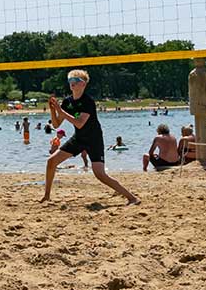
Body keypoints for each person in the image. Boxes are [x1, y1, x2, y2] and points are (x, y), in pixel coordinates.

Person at [40, 70, 138, 205]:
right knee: (51, 162)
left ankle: (132, 198)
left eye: (75, 81)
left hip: (94, 139)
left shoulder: (88, 101)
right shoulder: (67, 102)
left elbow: (79, 123)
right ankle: (47, 196)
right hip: (79, 138)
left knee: (100, 174)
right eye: (70, 81)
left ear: (83, 84)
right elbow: (56, 124)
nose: (72, 84)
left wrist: (61, 111)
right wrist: (53, 110)